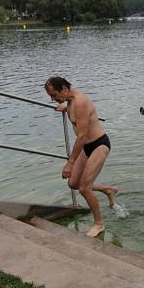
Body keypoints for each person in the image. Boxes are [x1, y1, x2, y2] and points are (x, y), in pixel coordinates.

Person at [44, 76, 121, 238]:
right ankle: (108, 190)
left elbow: (81, 136)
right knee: (74, 183)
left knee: (84, 188)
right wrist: (64, 108)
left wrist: (69, 163)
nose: (52, 99)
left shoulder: (80, 102)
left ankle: (99, 224)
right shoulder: (71, 102)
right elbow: (75, 112)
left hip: (99, 145)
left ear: (64, 89)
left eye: (54, 95)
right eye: (50, 96)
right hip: (87, 147)